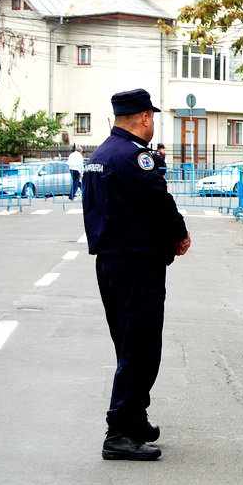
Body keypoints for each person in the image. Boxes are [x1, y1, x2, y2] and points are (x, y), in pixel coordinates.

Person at [83, 89, 191, 462]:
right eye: (153, 117)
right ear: (145, 117)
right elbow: (158, 203)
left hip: (113, 262)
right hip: (135, 262)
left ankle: (134, 419)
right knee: (141, 346)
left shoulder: (101, 154)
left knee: (129, 344)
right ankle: (118, 432)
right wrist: (179, 233)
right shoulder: (134, 158)